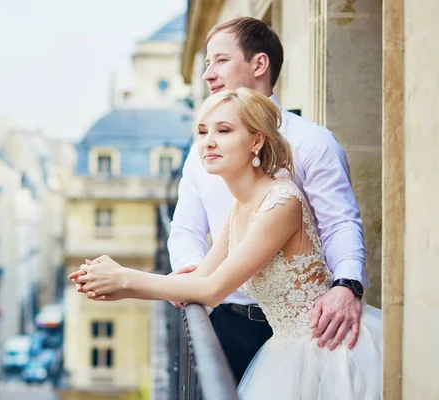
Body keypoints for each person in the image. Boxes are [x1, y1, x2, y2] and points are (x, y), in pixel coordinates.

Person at [69, 88, 381, 399]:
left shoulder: (282, 201)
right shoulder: (240, 208)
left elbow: (213, 290)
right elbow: (201, 278)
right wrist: (122, 289)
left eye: (224, 130)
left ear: (256, 140)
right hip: (288, 349)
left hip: (326, 349)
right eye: (203, 132)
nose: (209, 142)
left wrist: (124, 275)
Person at [166, 16, 368, 383]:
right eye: (207, 63)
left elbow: (340, 222)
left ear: (259, 64)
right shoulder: (201, 153)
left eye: (220, 60)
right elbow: (184, 228)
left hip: (310, 329)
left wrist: (347, 285)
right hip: (227, 323)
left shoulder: (313, 142)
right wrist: (189, 270)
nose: (208, 74)